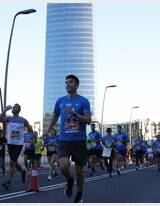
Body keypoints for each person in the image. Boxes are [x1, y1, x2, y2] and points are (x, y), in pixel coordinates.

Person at [44, 74, 91, 203]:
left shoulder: (83, 101)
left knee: (79, 172)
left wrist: (75, 114)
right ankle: (69, 180)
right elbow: (54, 116)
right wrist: (47, 131)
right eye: (66, 82)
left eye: (70, 82)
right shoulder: (60, 101)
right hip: (64, 140)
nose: (67, 84)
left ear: (76, 85)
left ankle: (80, 193)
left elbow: (88, 120)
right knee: (63, 166)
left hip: (79, 141)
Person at [0, 103, 31, 190]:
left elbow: (30, 130)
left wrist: (29, 138)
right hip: (10, 143)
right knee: (14, 162)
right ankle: (23, 171)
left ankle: (8, 181)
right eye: (13, 107)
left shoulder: (23, 120)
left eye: (16, 107)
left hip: (18, 144)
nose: (14, 108)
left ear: (19, 110)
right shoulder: (10, 119)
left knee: (12, 162)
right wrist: (5, 110)